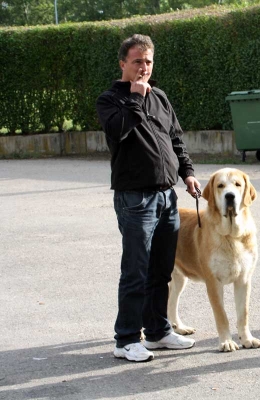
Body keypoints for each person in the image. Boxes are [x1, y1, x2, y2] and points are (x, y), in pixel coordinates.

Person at [96, 34, 202, 362]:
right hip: (135, 199)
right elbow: (119, 132)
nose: (144, 68)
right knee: (136, 270)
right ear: (123, 64)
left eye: (148, 61)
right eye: (137, 61)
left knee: (161, 269)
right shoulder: (111, 99)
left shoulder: (160, 96)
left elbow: (175, 140)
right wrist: (135, 98)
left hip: (166, 196)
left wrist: (187, 173)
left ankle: (157, 331)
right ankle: (126, 339)